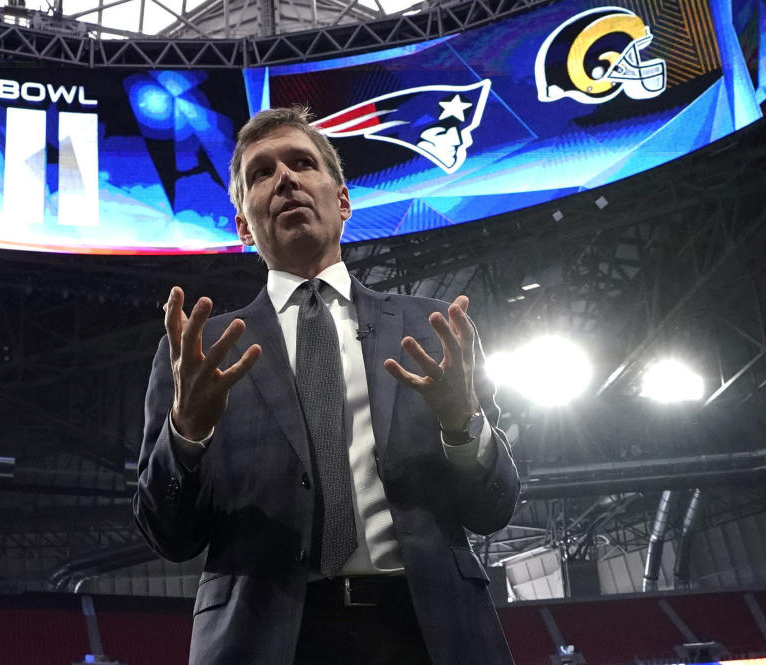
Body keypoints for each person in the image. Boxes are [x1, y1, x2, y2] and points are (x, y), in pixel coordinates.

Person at [133, 106, 519, 665]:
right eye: (261, 174)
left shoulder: (433, 328)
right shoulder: (197, 352)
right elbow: (167, 535)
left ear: (342, 201)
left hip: (429, 632)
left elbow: (494, 508)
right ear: (243, 224)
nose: (285, 178)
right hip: (263, 639)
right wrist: (186, 434)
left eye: (301, 163)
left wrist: (464, 426)